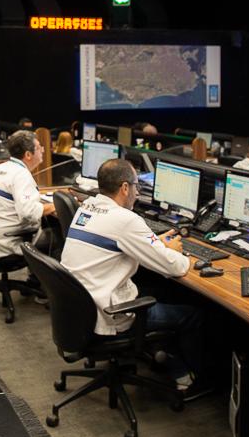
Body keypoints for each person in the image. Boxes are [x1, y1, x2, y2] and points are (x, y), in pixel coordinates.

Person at [60, 158, 204, 390]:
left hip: (80, 310)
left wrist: (153, 244)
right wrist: (176, 252)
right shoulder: (126, 220)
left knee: (162, 291)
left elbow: (121, 240)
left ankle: (161, 354)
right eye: (137, 186)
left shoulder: (86, 207)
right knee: (192, 315)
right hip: (109, 314)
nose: (138, 193)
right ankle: (190, 378)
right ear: (125, 188)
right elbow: (175, 267)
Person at [0, 129, 56, 261]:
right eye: (39, 147)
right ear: (28, 155)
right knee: (59, 237)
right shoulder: (21, 175)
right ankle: (40, 274)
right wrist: (54, 206)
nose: (42, 150)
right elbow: (28, 213)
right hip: (10, 244)